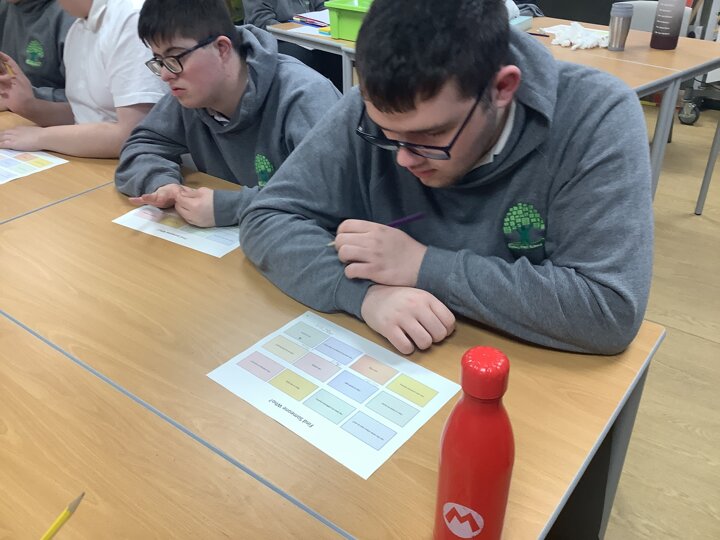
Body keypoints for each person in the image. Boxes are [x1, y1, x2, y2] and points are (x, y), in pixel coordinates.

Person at [239, 0, 653, 357]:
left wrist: (421, 265)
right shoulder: (370, 110)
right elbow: (267, 218)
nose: (404, 158)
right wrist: (364, 296)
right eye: (386, 133)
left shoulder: (596, 115)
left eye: (431, 135)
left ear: (502, 88)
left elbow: (608, 309)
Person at [114, 0, 341, 228]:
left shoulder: (304, 96)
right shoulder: (191, 96)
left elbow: (330, 195)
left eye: (175, 58)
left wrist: (230, 207)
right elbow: (142, 145)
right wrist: (162, 183)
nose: (165, 74)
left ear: (222, 48)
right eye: (159, 61)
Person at [0, 0, 166, 158]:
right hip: (89, 158)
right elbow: (84, 113)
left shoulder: (131, 18)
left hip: (128, 163)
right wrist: (27, 105)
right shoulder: (78, 27)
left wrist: (41, 137)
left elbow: (134, 135)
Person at [242, 0, 341, 89]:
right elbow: (261, 23)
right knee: (303, 56)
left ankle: (339, 98)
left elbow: (322, 6)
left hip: (309, 33)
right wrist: (297, 29)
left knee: (337, 51)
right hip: (275, 39)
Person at [0, 0, 75, 105]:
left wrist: (18, 96)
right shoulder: (6, 7)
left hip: (50, 111)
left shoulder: (71, 14)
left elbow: (86, 102)